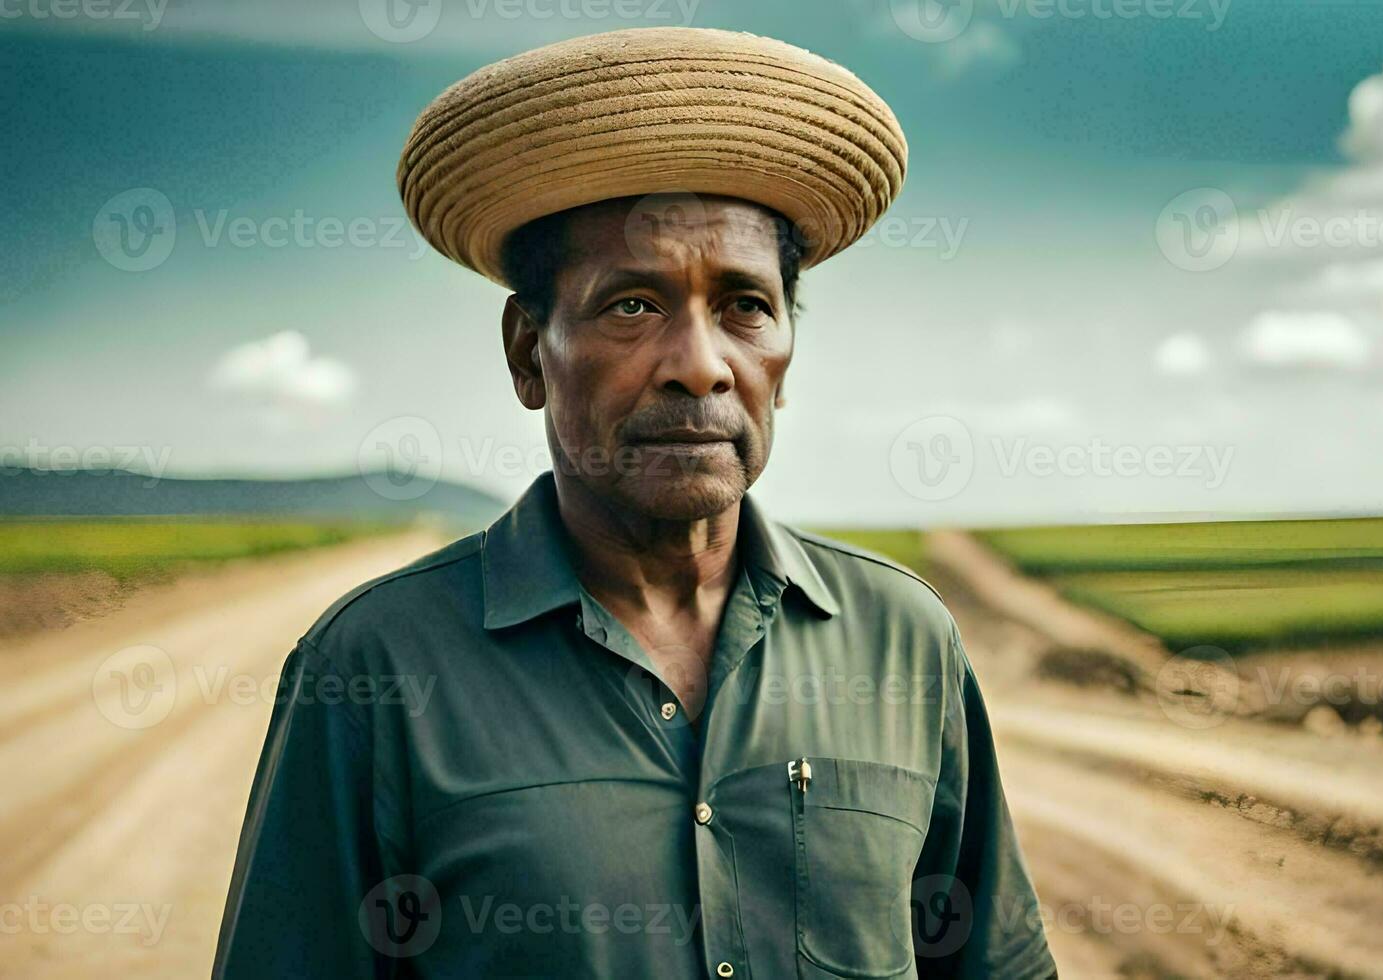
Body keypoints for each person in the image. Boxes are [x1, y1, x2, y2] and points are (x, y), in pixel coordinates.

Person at [214, 26, 1056, 979]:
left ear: (786, 353)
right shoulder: (374, 670)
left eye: (745, 305)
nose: (700, 367)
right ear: (530, 352)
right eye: (632, 306)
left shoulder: (905, 638)